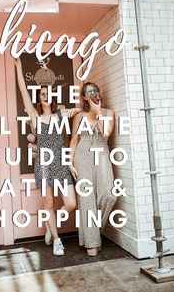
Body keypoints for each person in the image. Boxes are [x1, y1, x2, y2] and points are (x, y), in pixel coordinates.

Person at [15, 58, 80, 256]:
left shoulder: (60, 115)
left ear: (52, 97)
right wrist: (19, 66)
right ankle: (57, 239)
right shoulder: (35, 118)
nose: (45, 96)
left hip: (61, 162)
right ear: (39, 98)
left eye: (48, 94)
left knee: (71, 203)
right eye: (42, 94)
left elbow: (79, 110)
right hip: (43, 163)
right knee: (49, 203)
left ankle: (50, 226)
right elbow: (24, 93)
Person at [69, 82, 117, 257]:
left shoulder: (108, 113)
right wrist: (70, 163)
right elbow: (74, 141)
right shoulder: (80, 116)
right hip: (82, 155)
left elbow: (105, 135)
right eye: (89, 91)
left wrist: (98, 113)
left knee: (109, 195)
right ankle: (92, 241)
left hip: (101, 152)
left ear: (99, 92)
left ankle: (93, 231)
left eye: (95, 90)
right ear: (84, 97)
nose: (93, 93)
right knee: (87, 198)